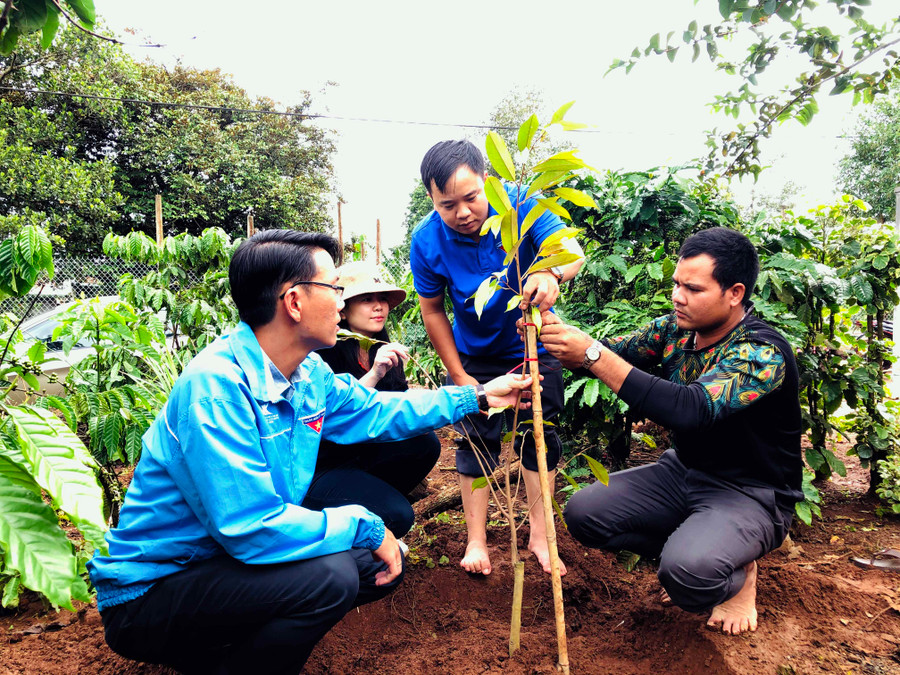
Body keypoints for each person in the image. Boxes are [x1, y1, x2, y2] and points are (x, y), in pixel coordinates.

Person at [86, 229, 534, 674]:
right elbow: (250, 527)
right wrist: (363, 523)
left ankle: (223, 654)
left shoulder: (306, 374)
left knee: (366, 564)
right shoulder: (217, 390)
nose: (341, 302)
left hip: (223, 562)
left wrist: (476, 396)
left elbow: (376, 410)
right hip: (154, 591)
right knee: (333, 575)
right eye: (334, 288)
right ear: (295, 302)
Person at [533, 227, 802, 635]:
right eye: (677, 284)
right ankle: (699, 550)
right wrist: (555, 333)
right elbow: (610, 353)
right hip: (683, 472)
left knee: (689, 578)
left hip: (750, 492)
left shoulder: (761, 352)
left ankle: (737, 573)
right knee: (583, 514)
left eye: (693, 288)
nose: (677, 296)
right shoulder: (675, 330)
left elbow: (690, 409)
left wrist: (591, 354)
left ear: (734, 293)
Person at [409, 139, 585, 576]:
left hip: (533, 347)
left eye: (471, 197)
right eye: (447, 205)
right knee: (474, 443)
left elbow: (572, 252)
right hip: (474, 356)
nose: (463, 213)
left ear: (488, 181)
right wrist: (458, 374)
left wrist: (550, 271)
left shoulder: (522, 204)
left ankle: (541, 536)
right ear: (431, 199)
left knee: (538, 437)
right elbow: (433, 310)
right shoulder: (427, 240)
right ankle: (476, 540)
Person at [314, 260, 441, 539]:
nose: (378, 306)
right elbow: (337, 414)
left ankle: (373, 499)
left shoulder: (386, 351)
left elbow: (398, 407)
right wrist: (374, 374)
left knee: (424, 443)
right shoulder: (325, 353)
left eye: (382, 299)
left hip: (364, 452)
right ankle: (349, 518)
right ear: (343, 309)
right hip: (328, 461)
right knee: (399, 514)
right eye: (366, 299)